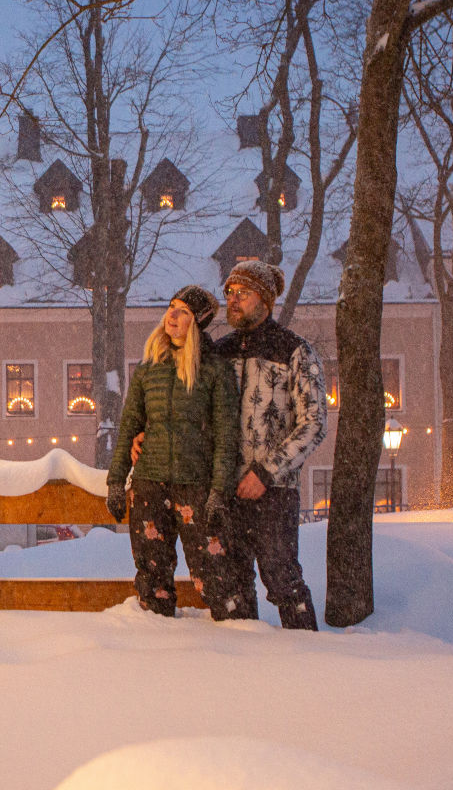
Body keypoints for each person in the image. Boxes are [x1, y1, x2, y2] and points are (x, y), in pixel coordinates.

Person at [105, 286, 241, 618]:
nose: (172, 316)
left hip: (195, 484)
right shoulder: (149, 367)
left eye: (183, 311)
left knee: (213, 575)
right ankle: (157, 648)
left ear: (198, 323)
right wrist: (116, 480)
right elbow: (129, 424)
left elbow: (226, 433)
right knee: (152, 577)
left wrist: (220, 490)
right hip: (149, 482)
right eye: (171, 307)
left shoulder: (214, 369)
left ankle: (238, 642)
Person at [209, 260, 327, 630]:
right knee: (230, 588)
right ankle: (242, 672)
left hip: (273, 491)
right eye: (229, 293)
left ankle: (309, 659)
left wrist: (265, 472)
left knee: (282, 581)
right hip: (223, 489)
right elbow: (192, 412)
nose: (233, 300)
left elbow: (314, 423)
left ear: (265, 299)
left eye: (242, 293)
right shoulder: (218, 352)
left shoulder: (294, 351)